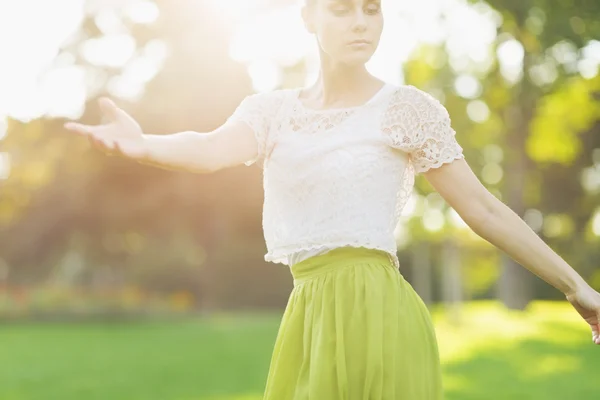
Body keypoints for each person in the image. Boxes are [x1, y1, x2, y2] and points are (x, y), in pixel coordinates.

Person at [65, 0, 600, 398]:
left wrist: (576, 287)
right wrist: (142, 145)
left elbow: (482, 210)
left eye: (372, 9)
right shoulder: (271, 112)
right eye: (343, 9)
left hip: (381, 315)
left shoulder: (406, 109)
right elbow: (207, 149)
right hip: (308, 316)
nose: (362, 22)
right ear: (309, 17)